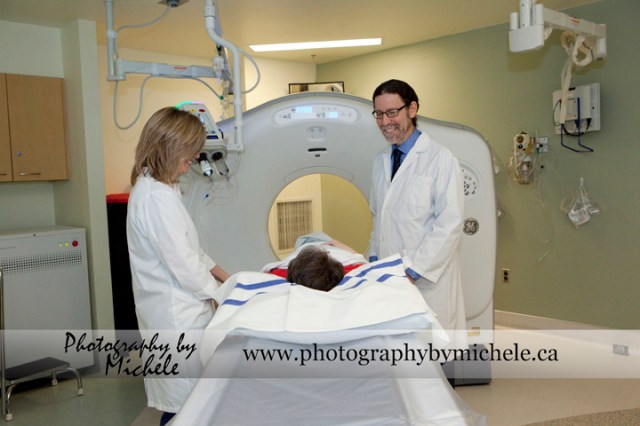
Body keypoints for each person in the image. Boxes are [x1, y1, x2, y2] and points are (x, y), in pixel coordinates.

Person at [126, 106, 230, 425]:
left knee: (190, 405)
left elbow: (191, 249)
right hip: (176, 318)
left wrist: (226, 277)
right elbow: (184, 265)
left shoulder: (163, 187)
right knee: (184, 409)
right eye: (191, 151)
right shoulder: (155, 198)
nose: (196, 158)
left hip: (181, 311)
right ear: (169, 147)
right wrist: (223, 296)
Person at [368, 79, 466, 341]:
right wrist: (374, 259)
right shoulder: (380, 162)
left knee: (430, 348)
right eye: (379, 114)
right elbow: (378, 216)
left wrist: (414, 271)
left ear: (412, 109)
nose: (385, 121)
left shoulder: (440, 159)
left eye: (392, 112)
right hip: (389, 275)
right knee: (397, 348)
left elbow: (450, 223)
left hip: (425, 278)